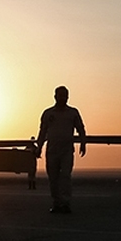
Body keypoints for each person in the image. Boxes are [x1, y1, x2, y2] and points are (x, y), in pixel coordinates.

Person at [36, 86, 87, 214]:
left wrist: (83, 143)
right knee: (53, 178)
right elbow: (42, 132)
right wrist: (39, 147)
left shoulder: (73, 112)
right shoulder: (48, 114)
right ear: (55, 96)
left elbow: (80, 128)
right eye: (60, 95)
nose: (63, 98)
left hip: (67, 151)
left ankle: (65, 203)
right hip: (52, 150)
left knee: (65, 177)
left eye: (65, 95)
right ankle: (56, 203)